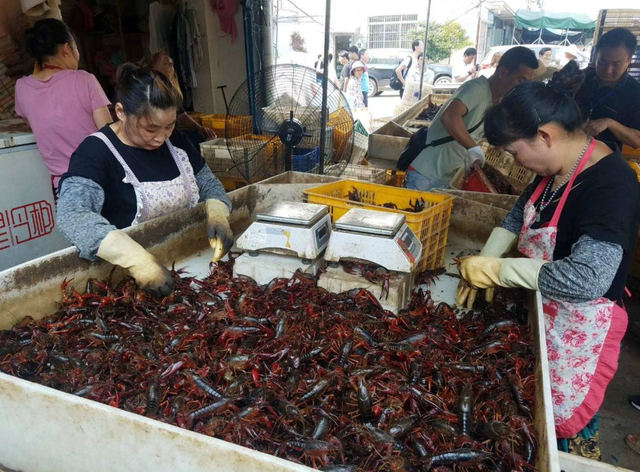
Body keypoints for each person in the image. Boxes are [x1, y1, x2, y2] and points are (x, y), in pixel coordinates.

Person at [456, 62, 639, 459]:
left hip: (581, 330)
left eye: (513, 151)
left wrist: (499, 270)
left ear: (544, 135)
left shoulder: (612, 185)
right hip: (544, 312)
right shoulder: (555, 169)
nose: (515, 161)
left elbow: (588, 277)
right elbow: (521, 211)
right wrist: (486, 256)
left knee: (560, 437)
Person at [56, 64, 233, 296]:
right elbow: (72, 214)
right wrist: (135, 259)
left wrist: (218, 213)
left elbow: (209, 184)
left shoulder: (176, 142)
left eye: (169, 126)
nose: (160, 137)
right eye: (150, 129)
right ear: (120, 111)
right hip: (128, 279)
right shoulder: (95, 152)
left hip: (189, 264)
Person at [406, 46, 538, 191]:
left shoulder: (497, 100)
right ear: (503, 72)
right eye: (521, 80)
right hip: (426, 174)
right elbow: (450, 116)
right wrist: (473, 148)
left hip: (448, 176)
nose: (522, 87)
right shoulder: (477, 88)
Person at [14, 19, 112, 194]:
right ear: (67, 48)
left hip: (64, 188)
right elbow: (109, 134)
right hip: (100, 180)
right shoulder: (84, 79)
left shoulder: (22, 88)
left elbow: (39, 125)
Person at [574, 28, 640, 150]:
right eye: (602, 61)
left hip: (604, 159)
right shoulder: (582, 78)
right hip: (568, 149)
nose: (608, 70)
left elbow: (637, 141)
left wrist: (610, 123)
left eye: (616, 64)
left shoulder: (635, 92)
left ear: (629, 60)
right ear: (596, 56)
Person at [147, 52, 216, 141]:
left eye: (171, 64)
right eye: (165, 63)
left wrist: (199, 128)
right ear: (154, 68)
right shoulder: (150, 89)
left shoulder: (171, 89)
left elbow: (182, 115)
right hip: (158, 134)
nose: (170, 67)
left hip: (171, 132)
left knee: (203, 138)